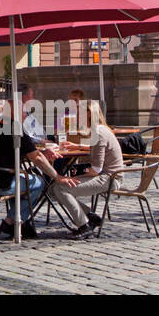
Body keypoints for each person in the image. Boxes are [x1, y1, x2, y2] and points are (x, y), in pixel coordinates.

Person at [0, 116, 63, 240]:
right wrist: (57, 176)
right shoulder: (16, 128)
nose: (26, 116)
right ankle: (11, 221)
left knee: (20, 180)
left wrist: (42, 153)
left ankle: (21, 221)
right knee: (39, 182)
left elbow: (20, 151)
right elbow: (35, 158)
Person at [48, 101, 125, 238]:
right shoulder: (100, 130)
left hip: (109, 178)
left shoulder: (99, 132)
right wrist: (77, 146)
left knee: (60, 188)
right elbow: (96, 148)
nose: (76, 116)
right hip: (107, 175)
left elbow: (96, 169)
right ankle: (90, 216)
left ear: (88, 114)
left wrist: (79, 174)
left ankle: (84, 225)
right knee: (53, 190)